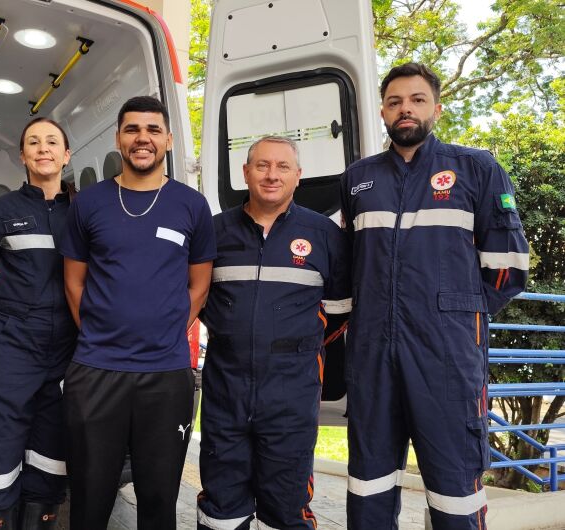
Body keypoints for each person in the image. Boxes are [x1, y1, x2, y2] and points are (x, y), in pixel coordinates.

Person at [341, 62, 529, 530]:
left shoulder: (475, 169)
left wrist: (459, 314)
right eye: (395, 101)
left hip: (446, 356)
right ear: (382, 112)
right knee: (369, 480)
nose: (405, 109)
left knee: (454, 486)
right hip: (371, 356)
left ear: (437, 109)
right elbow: (347, 263)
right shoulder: (358, 178)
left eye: (417, 100)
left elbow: (509, 266)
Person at [60, 95, 216, 530]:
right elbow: (74, 281)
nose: (142, 138)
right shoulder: (89, 204)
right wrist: (95, 332)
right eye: (132, 129)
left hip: (166, 375)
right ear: (118, 139)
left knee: (158, 497)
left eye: (152, 130)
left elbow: (199, 285)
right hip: (95, 371)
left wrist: (166, 330)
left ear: (167, 139)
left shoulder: (191, 205)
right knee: (90, 498)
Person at [196, 136, 351, 530]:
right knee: (221, 503)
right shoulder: (213, 231)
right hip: (225, 387)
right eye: (262, 165)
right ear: (245, 173)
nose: (271, 175)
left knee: (286, 505)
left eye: (282, 167)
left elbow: (339, 309)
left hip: (291, 392)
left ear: (298, 176)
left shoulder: (324, 234)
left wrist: (296, 344)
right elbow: (195, 295)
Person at [0, 117, 77, 530]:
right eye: (33, 142)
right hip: (8, 345)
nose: (43, 148)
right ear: (23, 155)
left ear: (66, 154)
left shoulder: (86, 213)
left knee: (51, 459)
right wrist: (12, 320)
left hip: (67, 349)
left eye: (52, 142)